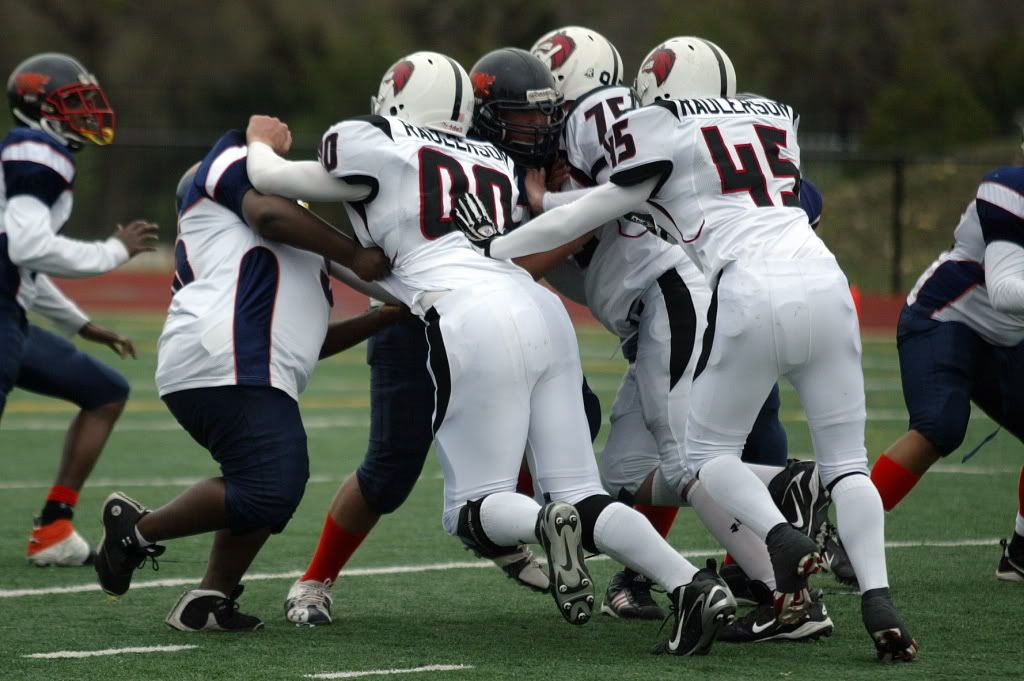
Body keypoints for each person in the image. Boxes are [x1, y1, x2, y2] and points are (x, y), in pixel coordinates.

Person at [245, 50, 737, 655]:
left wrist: (258, 141)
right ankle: (690, 583)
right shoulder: (496, 162)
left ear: (393, 98)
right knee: (583, 494)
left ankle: (537, 525)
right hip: (539, 309)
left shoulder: (374, 141)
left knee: (473, 508)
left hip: (466, 317)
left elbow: (271, 182)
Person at [455, 36, 917, 662]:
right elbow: (796, 196)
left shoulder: (606, 116)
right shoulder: (764, 117)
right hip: (762, 293)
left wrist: (503, 239)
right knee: (621, 471)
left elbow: (599, 204)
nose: (542, 121)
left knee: (692, 460)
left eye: (547, 101)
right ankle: (808, 513)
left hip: (681, 294)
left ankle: (789, 590)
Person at [92, 129, 394, 631]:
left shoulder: (282, 244)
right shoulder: (225, 191)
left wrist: (382, 317)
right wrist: (356, 255)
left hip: (244, 364)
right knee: (273, 485)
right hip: (224, 360)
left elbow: (304, 341)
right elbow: (268, 208)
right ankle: (135, 531)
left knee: (262, 477)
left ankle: (209, 598)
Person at [1, 52, 158, 566]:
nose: (87, 112)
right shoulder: (38, 148)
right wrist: (112, 252)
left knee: (104, 391)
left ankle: (53, 528)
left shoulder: (34, 152)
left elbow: (17, 264)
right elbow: (26, 247)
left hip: (11, 314)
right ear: (37, 109)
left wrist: (80, 324)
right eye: (73, 103)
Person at [869, 162, 1024, 582]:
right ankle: (848, 532)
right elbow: (1007, 291)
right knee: (941, 423)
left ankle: (1021, 552)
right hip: (948, 315)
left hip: (1010, 338)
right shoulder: (1009, 188)